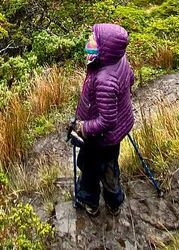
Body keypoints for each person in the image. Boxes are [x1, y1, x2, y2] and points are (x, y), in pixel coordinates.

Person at [73, 23, 135, 216]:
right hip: (114, 137)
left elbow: (107, 121)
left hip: (100, 137)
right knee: (110, 166)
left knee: (89, 168)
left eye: (95, 38)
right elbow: (131, 79)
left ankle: (89, 201)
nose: (90, 40)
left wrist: (83, 127)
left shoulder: (104, 78)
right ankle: (114, 202)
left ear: (106, 47)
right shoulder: (119, 59)